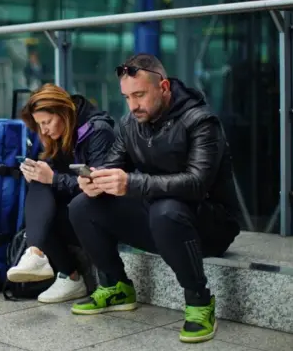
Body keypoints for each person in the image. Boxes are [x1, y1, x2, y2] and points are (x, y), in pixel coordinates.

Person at [68, 54, 240, 343]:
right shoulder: (129, 124)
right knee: (82, 206)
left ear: (163, 87)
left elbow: (197, 184)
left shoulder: (201, 121)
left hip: (209, 226)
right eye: (126, 97)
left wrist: (132, 183)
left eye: (139, 95)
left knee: (166, 210)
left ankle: (200, 302)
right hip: (161, 220)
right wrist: (95, 180)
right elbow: (114, 166)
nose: (133, 105)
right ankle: (116, 286)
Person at [6, 83, 115, 304]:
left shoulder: (98, 131)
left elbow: (100, 187)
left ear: (64, 112)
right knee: (39, 184)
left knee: (46, 184)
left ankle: (62, 270)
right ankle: (38, 256)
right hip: (76, 212)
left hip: (105, 214)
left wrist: (53, 178)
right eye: (39, 125)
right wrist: (38, 174)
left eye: (46, 122)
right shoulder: (59, 134)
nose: (43, 130)